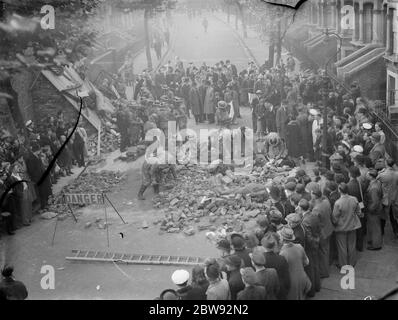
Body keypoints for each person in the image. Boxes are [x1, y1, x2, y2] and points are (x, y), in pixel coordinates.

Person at [332, 183, 362, 268]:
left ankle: (343, 264)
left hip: (341, 228)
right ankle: (352, 262)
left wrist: (335, 224)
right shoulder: (354, 199)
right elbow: (359, 212)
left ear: (339, 190)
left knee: (342, 247)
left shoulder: (338, 203)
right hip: (352, 226)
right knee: (352, 245)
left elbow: (335, 217)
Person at [278, 227, 312, 300]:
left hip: (292, 282)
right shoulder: (299, 246)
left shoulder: (282, 253)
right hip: (303, 278)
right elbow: (307, 262)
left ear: (282, 239)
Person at [299, 199, 321, 297]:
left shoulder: (305, 221)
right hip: (316, 243)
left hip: (310, 247)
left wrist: (313, 244)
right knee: (316, 266)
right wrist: (317, 240)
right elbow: (319, 229)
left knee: (310, 269)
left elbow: (308, 238)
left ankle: (312, 291)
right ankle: (317, 286)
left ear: (300, 208)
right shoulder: (314, 215)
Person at [311, 186, 334, 278]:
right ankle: (327, 264)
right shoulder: (326, 201)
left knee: (323, 252)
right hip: (329, 228)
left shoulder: (316, 209)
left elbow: (315, 223)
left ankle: (324, 272)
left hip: (322, 232)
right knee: (327, 249)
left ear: (314, 196)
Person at [261, 233, 290, 300]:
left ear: (264, 246)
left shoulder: (261, 259)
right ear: (274, 245)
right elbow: (286, 278)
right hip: (281, 289)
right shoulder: (281, 258)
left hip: (267, 289)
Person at [377, 158, 398, 238]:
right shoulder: (397, 174)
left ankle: (381, 231)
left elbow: (376, 181)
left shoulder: (382, 174)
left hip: (385, 198)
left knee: (383, 216)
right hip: (395, 197)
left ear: (386, 164)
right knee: (394, 216)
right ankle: (396, 231)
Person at [365, 169, 383, 250]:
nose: (366, 175)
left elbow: (375, 202)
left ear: (371, 176)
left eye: (367, 174)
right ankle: (373, 241)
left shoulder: (373, 188)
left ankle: (376, 245)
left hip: (373, 209)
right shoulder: (377, 182)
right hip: (377, 208)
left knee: (375, 227)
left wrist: (370, 209)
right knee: (374, 226)